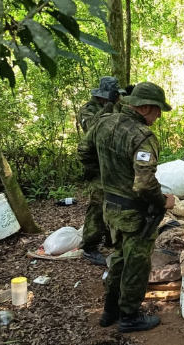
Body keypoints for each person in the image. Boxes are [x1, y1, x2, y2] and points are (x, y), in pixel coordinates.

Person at [83, 82, 175, 333]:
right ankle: (129, 316)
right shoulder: (141, 136)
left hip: (110, 207)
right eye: (158, 111)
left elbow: (84, 151)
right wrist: (162, 201)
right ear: (145, 107)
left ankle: (109, 311)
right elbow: (145, 184)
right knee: (136, 263)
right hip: (135, 213)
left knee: (120, 258)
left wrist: (104, 180)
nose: (158, 117)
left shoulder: (103, 122)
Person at [77, 77, 128, 266]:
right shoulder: (88, 109)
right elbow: (91, 126)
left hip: (113, 162)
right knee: (98, 205)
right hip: (97, 166)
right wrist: (109, 106)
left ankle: (110, 238)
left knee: (115, 202)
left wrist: (130, 98)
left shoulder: (116, 106)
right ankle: (89, 246)